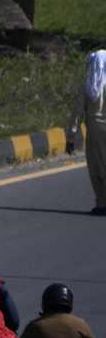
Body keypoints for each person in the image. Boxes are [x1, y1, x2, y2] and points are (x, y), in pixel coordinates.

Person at [66, 49, 106, 216]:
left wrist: (71, 137)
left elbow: (77, 112)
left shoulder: (87, 86)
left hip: (94, 129)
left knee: (96, 167)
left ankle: (102, 203)